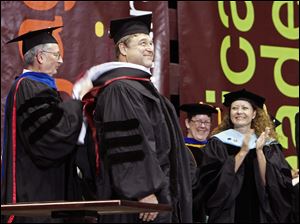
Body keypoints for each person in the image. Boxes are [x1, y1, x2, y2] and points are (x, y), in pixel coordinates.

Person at [73, 14, 193, 223]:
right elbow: (127, 146)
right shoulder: (120, 89)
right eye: (142, 43)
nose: (149, 48)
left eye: (150, 42)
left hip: (159, 195)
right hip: (140, 202)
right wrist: (143, 190)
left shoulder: (141, 88)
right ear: (123, 49)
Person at [1, 27, 90, 223]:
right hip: (35, 198)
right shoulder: (29, 87)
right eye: (57, 55)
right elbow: (52, 136)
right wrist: (77, 98)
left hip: (41, 194)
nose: (61, 61)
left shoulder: (32, 87)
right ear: (40, 57)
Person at [194, 89, 294, 223]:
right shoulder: (218, 142)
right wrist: (242, 152)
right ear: (230, 113)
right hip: (228, 213)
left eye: (244, 108)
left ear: (253, 114)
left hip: (259, 212)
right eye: (234, 108)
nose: (239, 112)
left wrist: (259, 151)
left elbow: (272, 184)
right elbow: (210, 183)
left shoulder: (267, 144)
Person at [179, 102, 218, 223]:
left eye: (206, 122)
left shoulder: (216, 150)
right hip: (190, 209)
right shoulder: (179, 150)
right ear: (187, 123)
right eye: (198, 121)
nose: (203, 126)